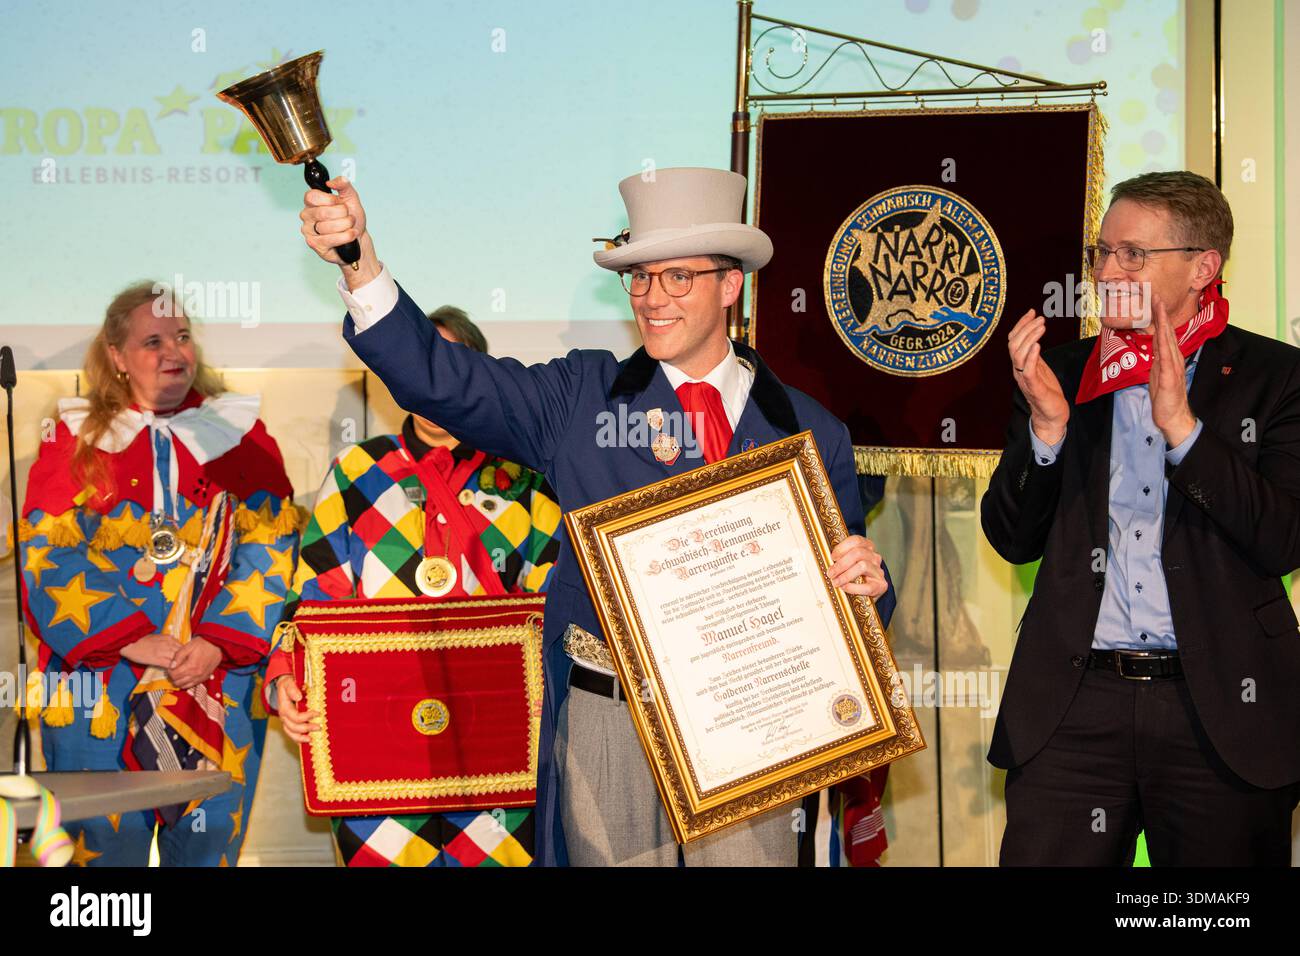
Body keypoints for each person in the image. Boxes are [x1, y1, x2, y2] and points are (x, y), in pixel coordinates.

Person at [295, 165, 897, 867]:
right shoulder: (580, 399)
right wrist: (362, 264)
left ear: (730, 285)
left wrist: (868, 591)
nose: (651, 298)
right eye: (638, 278)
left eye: (677, 277)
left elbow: (849, 624)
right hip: (609, 721)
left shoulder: (811, 431)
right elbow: (441, 378)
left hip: (754, 729)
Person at [982, 170, 1300, 865]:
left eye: (1133, 254)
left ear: (1202, 268)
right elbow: (1012, 538)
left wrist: (1185, 431)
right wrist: (1047, 431)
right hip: (1074, 709)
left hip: (1218, 710)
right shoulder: (1061, 374)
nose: (1106, 270)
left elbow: (1283, 538)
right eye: (1101, 252)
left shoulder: (1276, 378)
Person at [265, 305, 561, 867]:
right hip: (375, 740)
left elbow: (557, 602)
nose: (429, 386)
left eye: (447, 365)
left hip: (499, 743)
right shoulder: (358, 469)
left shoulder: (524, 475)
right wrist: (287, 674)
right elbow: (314, 591)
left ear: (477, 373)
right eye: (417, 367)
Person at [19, 281, 301, 866]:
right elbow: (47, 558)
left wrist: (218, 643)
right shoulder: (73, 437)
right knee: (104, 861)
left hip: (214, 680)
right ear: (116, 356)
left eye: (182, 337)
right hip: (100, 687)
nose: (174, 352)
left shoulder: (242, 434)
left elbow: (271, 551)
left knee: (205, 847)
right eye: (152, 341)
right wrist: (131, 639)